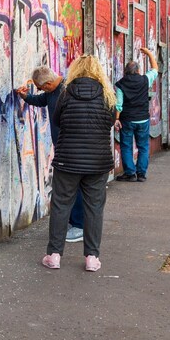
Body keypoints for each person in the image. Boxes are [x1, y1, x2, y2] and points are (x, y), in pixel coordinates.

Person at [42, 55, 116, 272]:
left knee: (60, 205)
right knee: (94, 208)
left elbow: (57, 121)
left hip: (68, 161)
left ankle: (54, 255)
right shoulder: (107, 95)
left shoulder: (65, 93)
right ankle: (92, 258)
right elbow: (110, 122)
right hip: (98, 162)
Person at [15, 67, 85, 243]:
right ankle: (74, 223)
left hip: (72, 148)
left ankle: (79, 225)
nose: (39, 90)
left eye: (40, 87)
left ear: (47, 83)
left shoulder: (68, 90)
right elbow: (40, 100)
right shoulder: (52, 92)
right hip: (63, 147)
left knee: (74, 186)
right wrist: (25, 97)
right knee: (68, 187)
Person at [114, 47, 159, 182]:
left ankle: (130, 173)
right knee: (143, 146)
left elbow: (119, 104)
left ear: (125, 71)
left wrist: (116, 119)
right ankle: (141, 174)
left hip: (127, 120)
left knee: (126, 146)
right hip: (142, 120)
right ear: (138, 70)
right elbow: (155, 69)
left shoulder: (121, 84)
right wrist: (149, 53)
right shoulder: (145, 80)